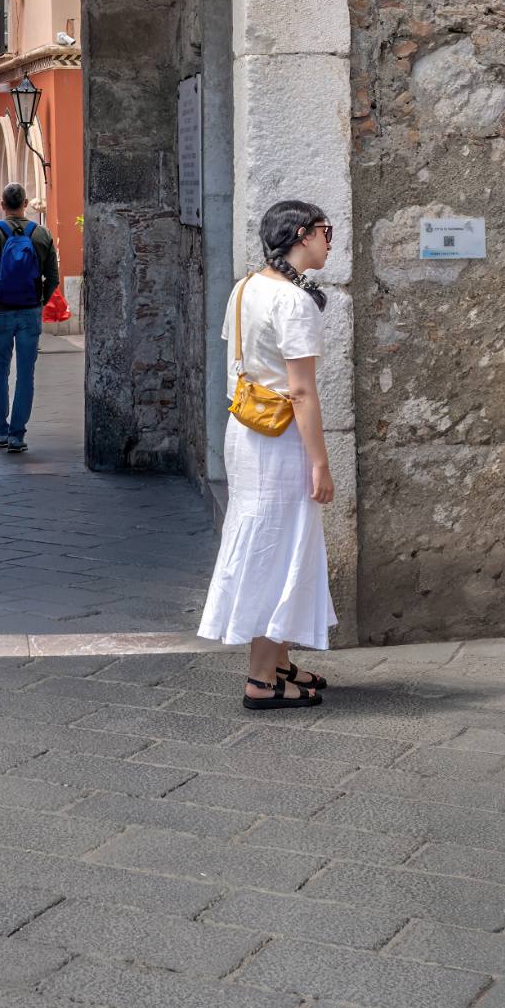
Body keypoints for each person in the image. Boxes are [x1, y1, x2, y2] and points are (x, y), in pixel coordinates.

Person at [198, 199, 337, 711]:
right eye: (326, 231)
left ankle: (277, 662)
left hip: (247, 431)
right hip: (281, 439)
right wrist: (321, 462)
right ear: (302, 234)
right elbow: (302, 392)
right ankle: (261, 677)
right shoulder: (293, 302)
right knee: (277, 546)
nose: (329, 240)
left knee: (270, 539)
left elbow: (241, 363)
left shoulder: (245, 287)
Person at [0, 182, 60, 454]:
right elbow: (54, 278)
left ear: (2, 204)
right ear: (25, 203)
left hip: (0, 309)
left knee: (0, 369)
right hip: (29, 311)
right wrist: (39, 302)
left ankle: (0, 430)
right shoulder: (42, 233)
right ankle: (17, 435)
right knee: (26, 373)